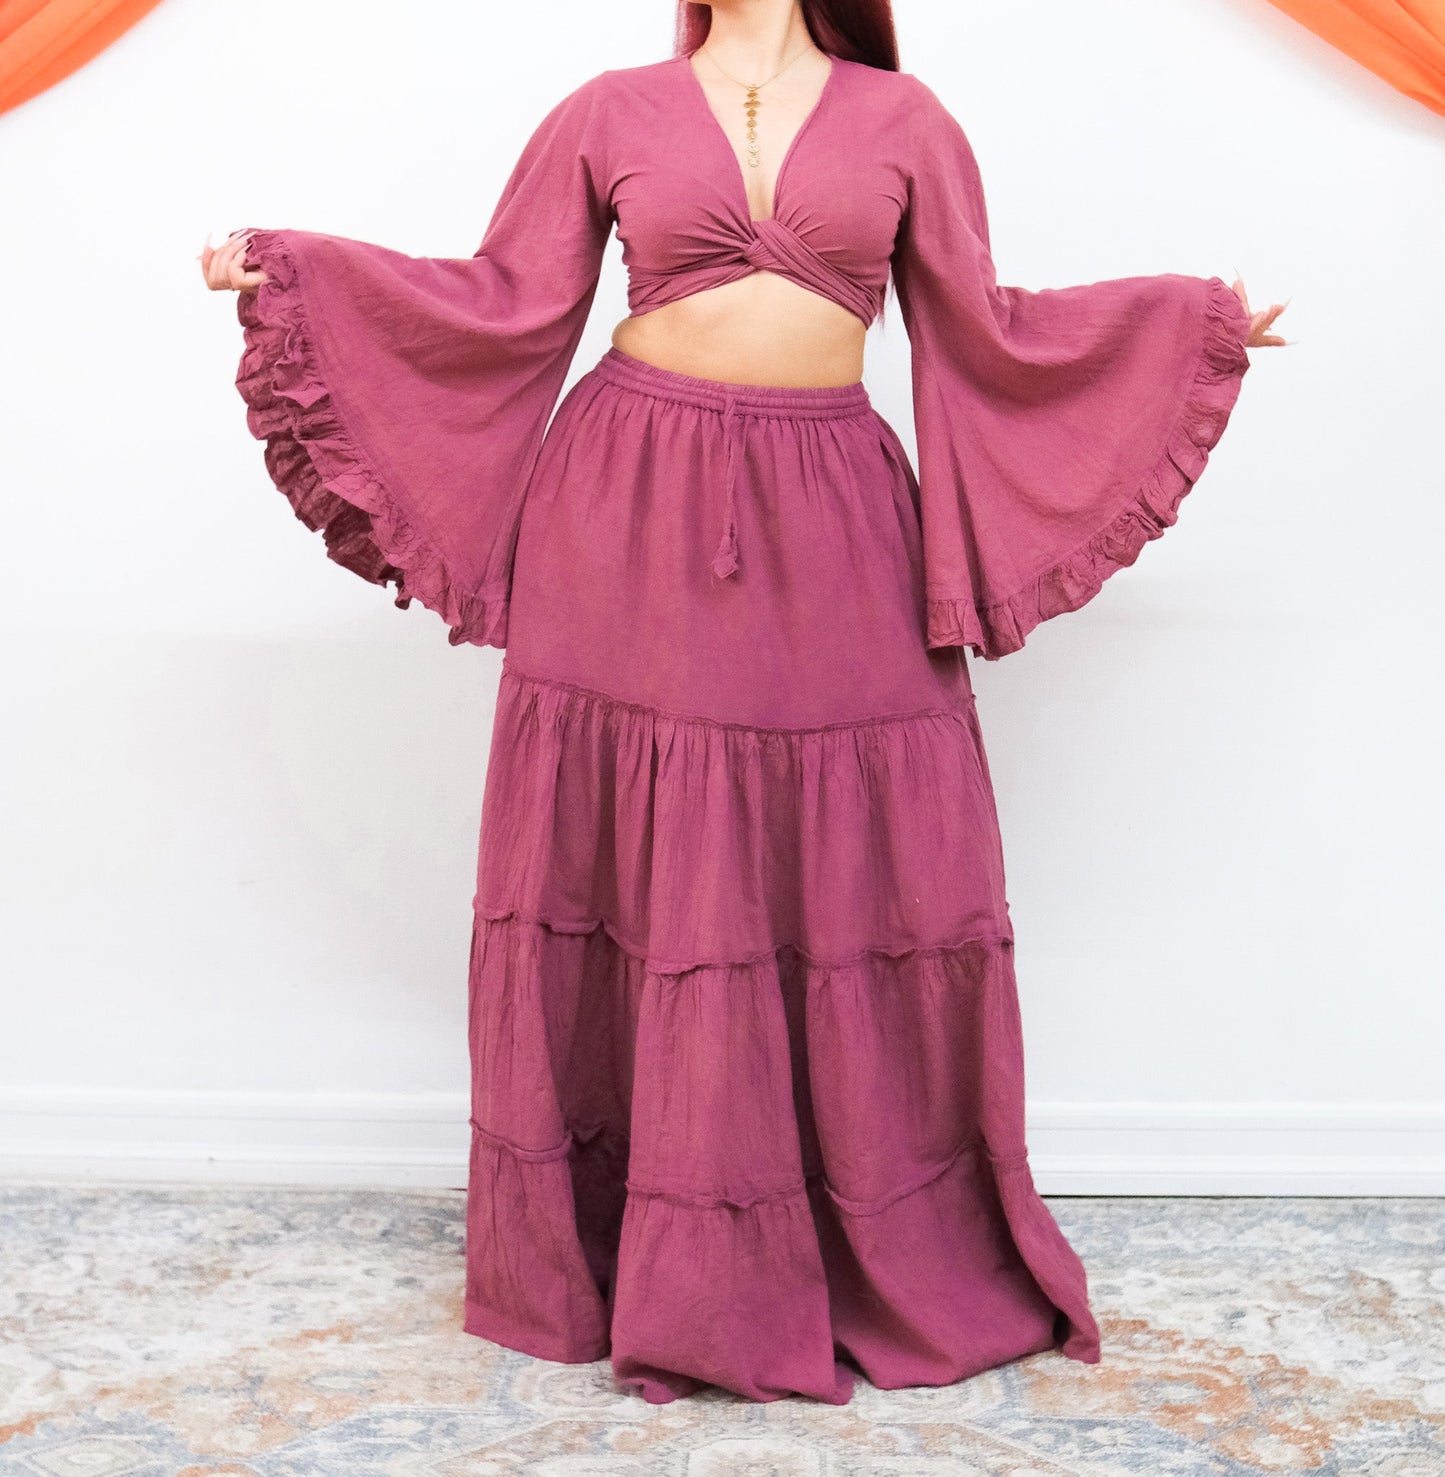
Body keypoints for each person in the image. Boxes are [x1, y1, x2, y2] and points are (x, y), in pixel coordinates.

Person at [199, 0, 1289, 1409]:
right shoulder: (607, 110)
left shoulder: (906, 121)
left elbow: (987, 326)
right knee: (639, 861)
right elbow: (499, 295)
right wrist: (293, 274)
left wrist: (1186, 327)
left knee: (861, 858)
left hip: (834, 508)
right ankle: (632, 1261)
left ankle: (855, 1244)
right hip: (624, 503)